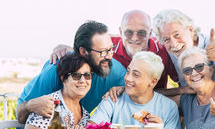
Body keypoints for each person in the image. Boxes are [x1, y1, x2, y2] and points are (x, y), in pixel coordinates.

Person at [15, 20, 127, 129]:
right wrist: (30, 106)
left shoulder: (116, 71)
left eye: (110, 49)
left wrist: (124, 88)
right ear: (83, 51)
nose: (109, 56)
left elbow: (134, 92)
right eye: (102, 52)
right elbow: (21, 117)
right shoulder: (55, 71)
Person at [50, 10, 180, 93]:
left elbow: (180, 85)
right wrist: (63, 47)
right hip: (117, 105)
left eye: (141, 33)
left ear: (150, 33)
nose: (134, 38)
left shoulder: (164, 50)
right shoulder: (108, 44)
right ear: (121, 31)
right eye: (129, 32)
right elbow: (87, 49)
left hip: (154, 103)